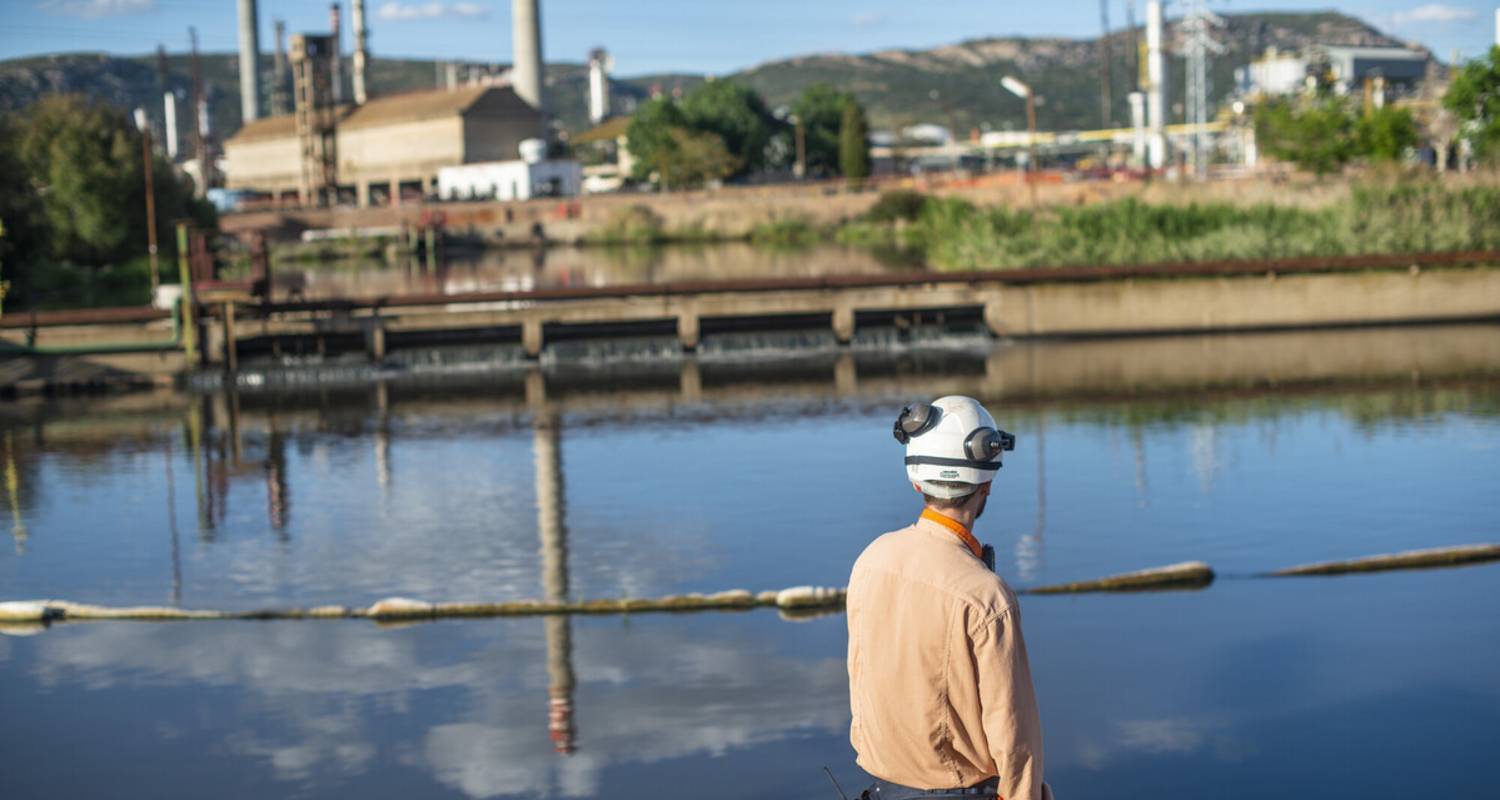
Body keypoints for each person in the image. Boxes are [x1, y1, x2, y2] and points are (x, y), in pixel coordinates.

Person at [847, 395, 1052, 800]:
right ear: (987, 482)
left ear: (915, 479)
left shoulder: (871, 560)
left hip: (878, 789)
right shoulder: (985, 598)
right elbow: (1014, 738)